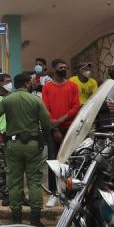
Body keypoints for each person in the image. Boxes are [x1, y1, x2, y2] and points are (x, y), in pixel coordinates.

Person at [0, 73, 52, 226]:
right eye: (30, 82)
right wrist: (43, 138)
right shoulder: (35, 100)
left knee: (14, 182)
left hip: (12, 145)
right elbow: (46, 122)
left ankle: (16, 219)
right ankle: (35, 219)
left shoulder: (7, 100)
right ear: (26, 83)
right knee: (34, 181)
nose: (32, 84)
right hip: (32, 144)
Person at [42, 59, 81, 196]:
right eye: (60, 67)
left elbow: (76, 107)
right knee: (53, 159)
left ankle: (68, 188)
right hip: (52, 129)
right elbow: (45, 108)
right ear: (53, 70)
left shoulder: (73, 86)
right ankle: (53, 190)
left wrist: (61, 119)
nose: (64, 69)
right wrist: (55, 127)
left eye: (65, 67)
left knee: (70, 158)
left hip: (69, 128)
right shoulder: (47, 87)